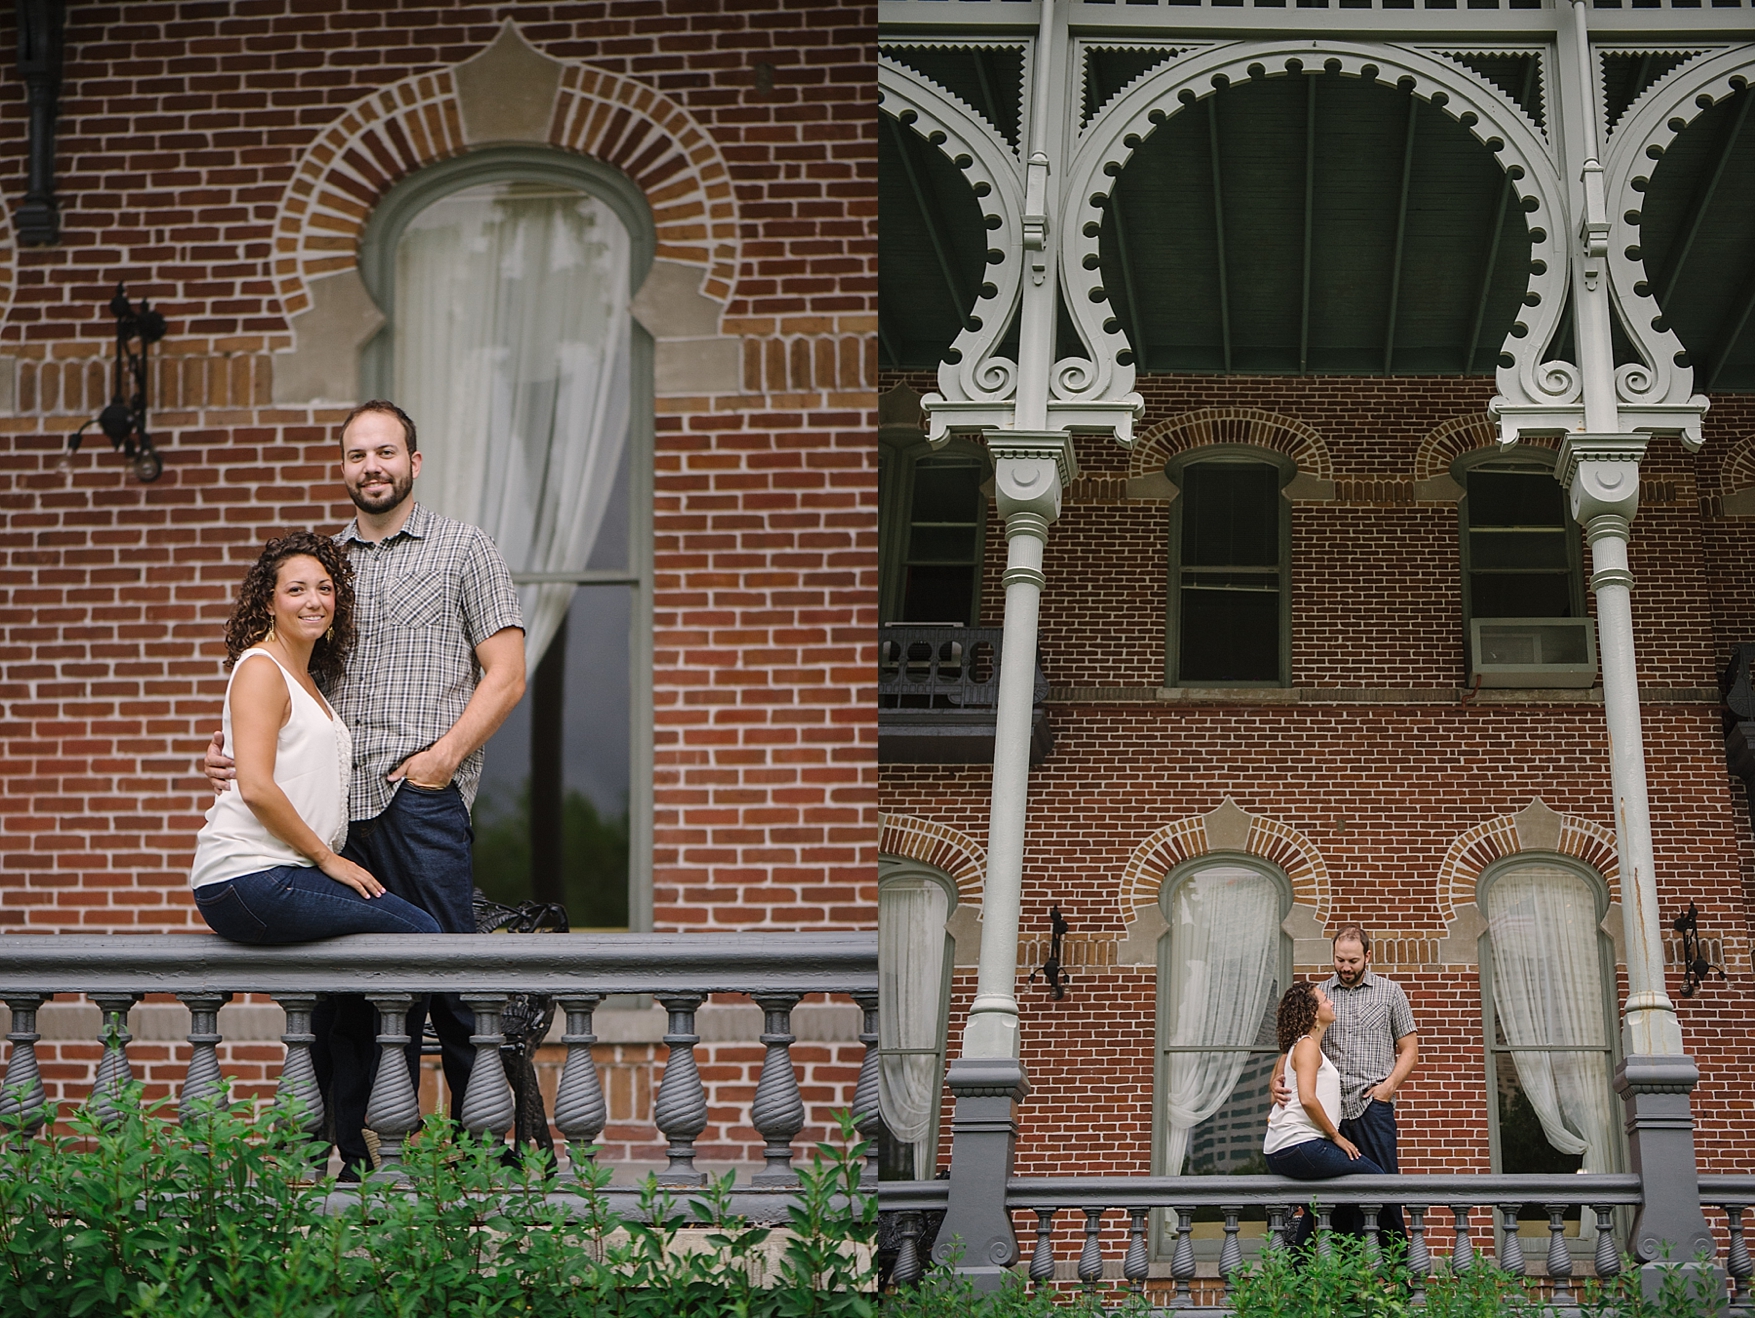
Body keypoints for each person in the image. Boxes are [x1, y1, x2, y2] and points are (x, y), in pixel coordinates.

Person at [204, 400, 526, 1179]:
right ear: (343, 467)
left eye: (386, 452)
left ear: (414, 463)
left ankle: (490, 1155)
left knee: (451, 973)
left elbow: (507, 675)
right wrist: (239, 756)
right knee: (344, 995)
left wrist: (443, 759)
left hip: (417, 800)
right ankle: (341, 1155)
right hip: (329, 818)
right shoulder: (326, 568)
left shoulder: (462, 549)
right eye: (356, 455)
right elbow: (281, 683)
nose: (370, 466)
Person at [189, 531, 441, 944]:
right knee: (420, 935)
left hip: (279, 871)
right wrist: (328, 860)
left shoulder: (304, 677)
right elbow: (254, 787)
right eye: (296, 590)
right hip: (249, 874)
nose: (314, 601)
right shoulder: (261, 668)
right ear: (269, 602)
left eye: (325, 589)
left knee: (358, 973)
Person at [1271, 925, 1419, 1243]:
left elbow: (1410, 1049)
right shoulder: (1320, 997)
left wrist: (1388, 1088)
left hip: (1371, 1106)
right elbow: (1292, 1045)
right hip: (1329, 1113)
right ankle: (1344, 1281)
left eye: (1353, 961)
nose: (1346, 967)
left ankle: (1399, 1276)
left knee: (1384, 1187)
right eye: (1340, 960)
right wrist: (1275, 1081)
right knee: (1334, 1199)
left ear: (1367, 956)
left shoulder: (1390, 993)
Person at [1263, 981, 1387, 1247]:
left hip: (1285, 1148)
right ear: (1312, 1012)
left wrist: (1275, 1085)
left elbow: (1279, 1080)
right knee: (1376, 1179)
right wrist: (1336, 1137)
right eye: (1324, 1000)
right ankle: (1366, 1261)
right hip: (1300, 1145)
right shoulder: (1306, 1045)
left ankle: (1299, 1272)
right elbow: (1307, 1098)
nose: (1331, 1003)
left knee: (1321, 1205)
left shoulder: (1301, 1047)